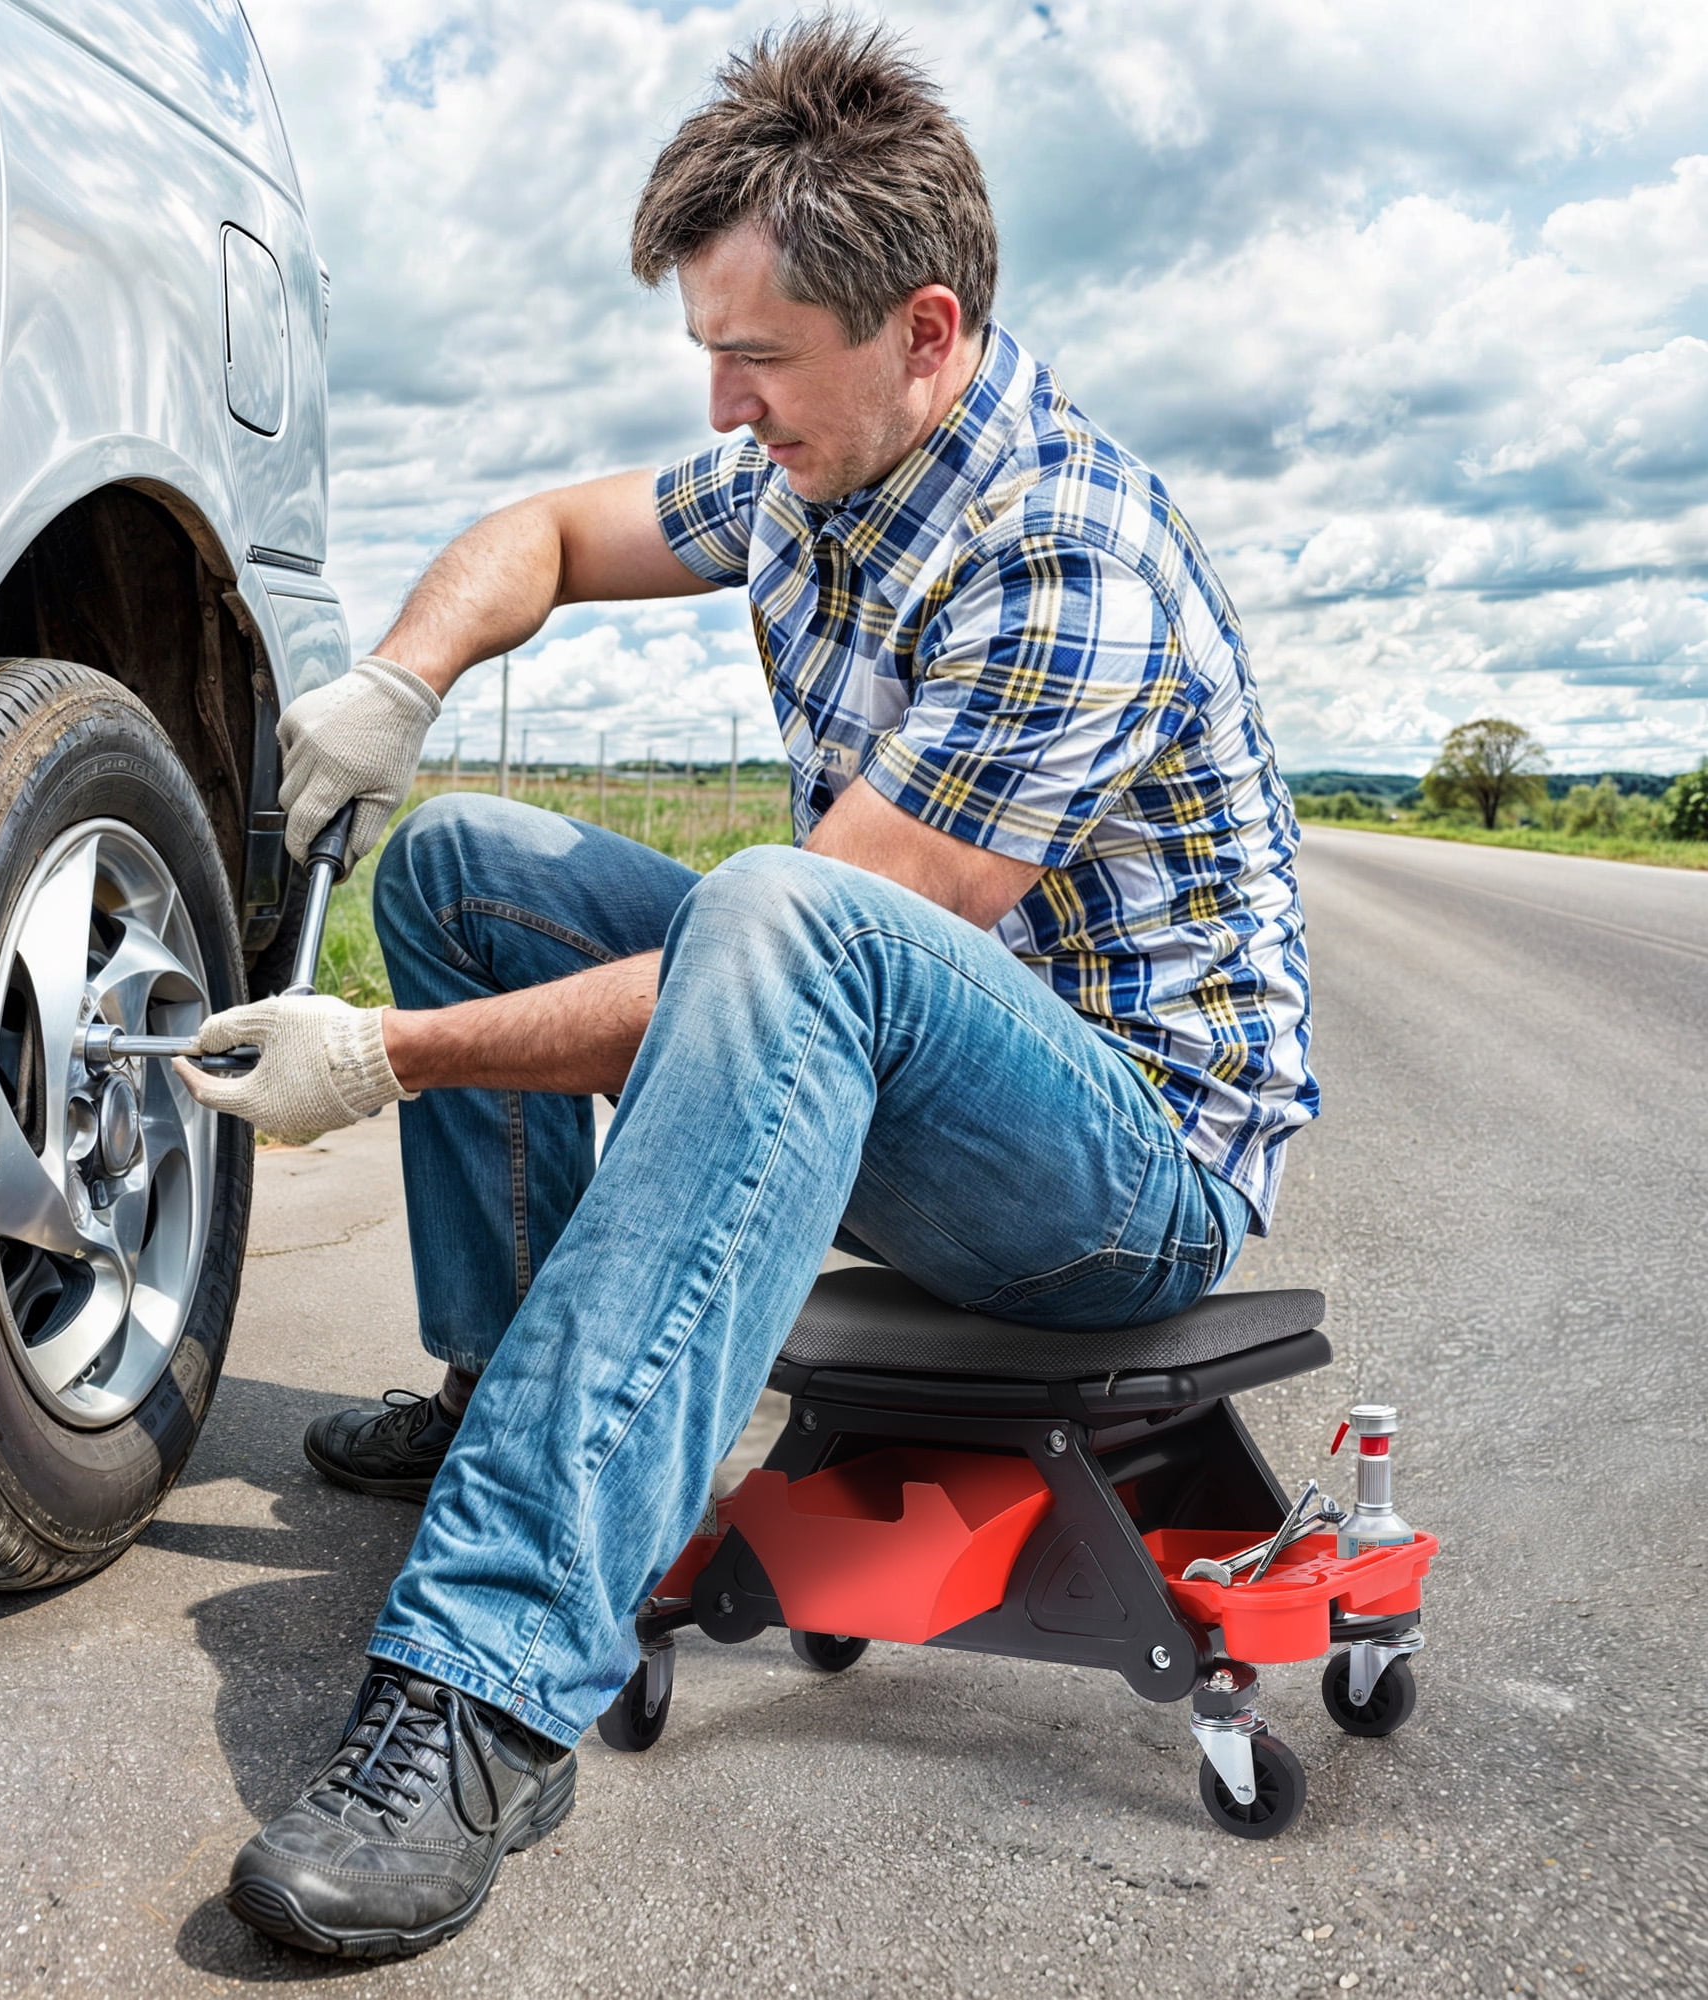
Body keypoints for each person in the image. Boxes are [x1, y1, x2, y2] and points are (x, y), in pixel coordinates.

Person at [178, 18, 1318, 1963]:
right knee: (463, 862)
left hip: (1120, 1168)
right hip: (892, 1061)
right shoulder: (804, 470)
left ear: (926, 334)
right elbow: (544, 529)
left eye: (760, 354)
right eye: (712, 348)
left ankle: (489, 1683)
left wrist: (381, 1054)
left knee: (786, 913)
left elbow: (807, 945)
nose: (725, 398)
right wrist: (402, 678)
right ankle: (503, 1392)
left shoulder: (1066, 563)